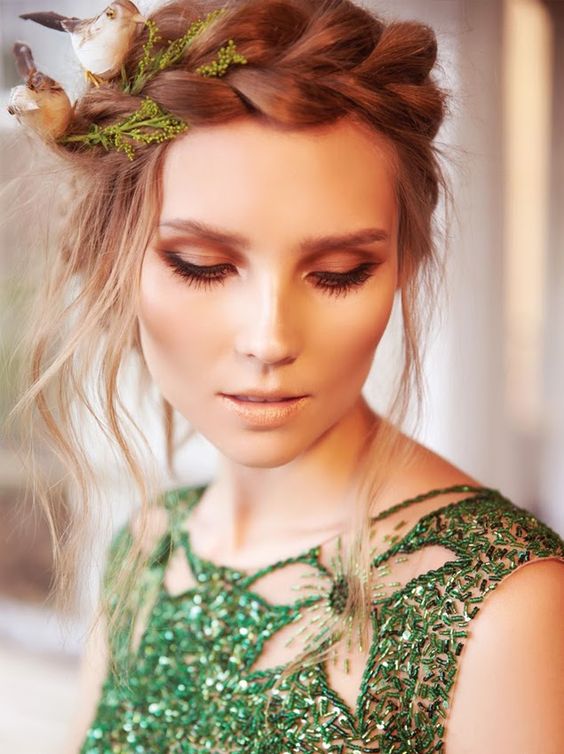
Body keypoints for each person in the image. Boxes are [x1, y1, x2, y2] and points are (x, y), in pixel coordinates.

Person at [6, 1, 564, 752]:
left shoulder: (503, 606)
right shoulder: (147, 549)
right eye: (202, 266)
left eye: (340, 272)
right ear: (114, 259)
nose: (269, 339)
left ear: (402, 265)